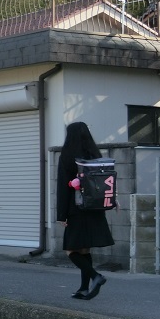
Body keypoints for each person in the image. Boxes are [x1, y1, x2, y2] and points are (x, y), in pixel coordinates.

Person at [56, 122, 113, 300]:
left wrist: (62, 215)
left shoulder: (67, 156)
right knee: (84, 250)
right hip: (95, 207)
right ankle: (83, 288)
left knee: (71, 251)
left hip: (76, 209)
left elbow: (63, 188)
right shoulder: (95, 155)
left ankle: (96, 276)